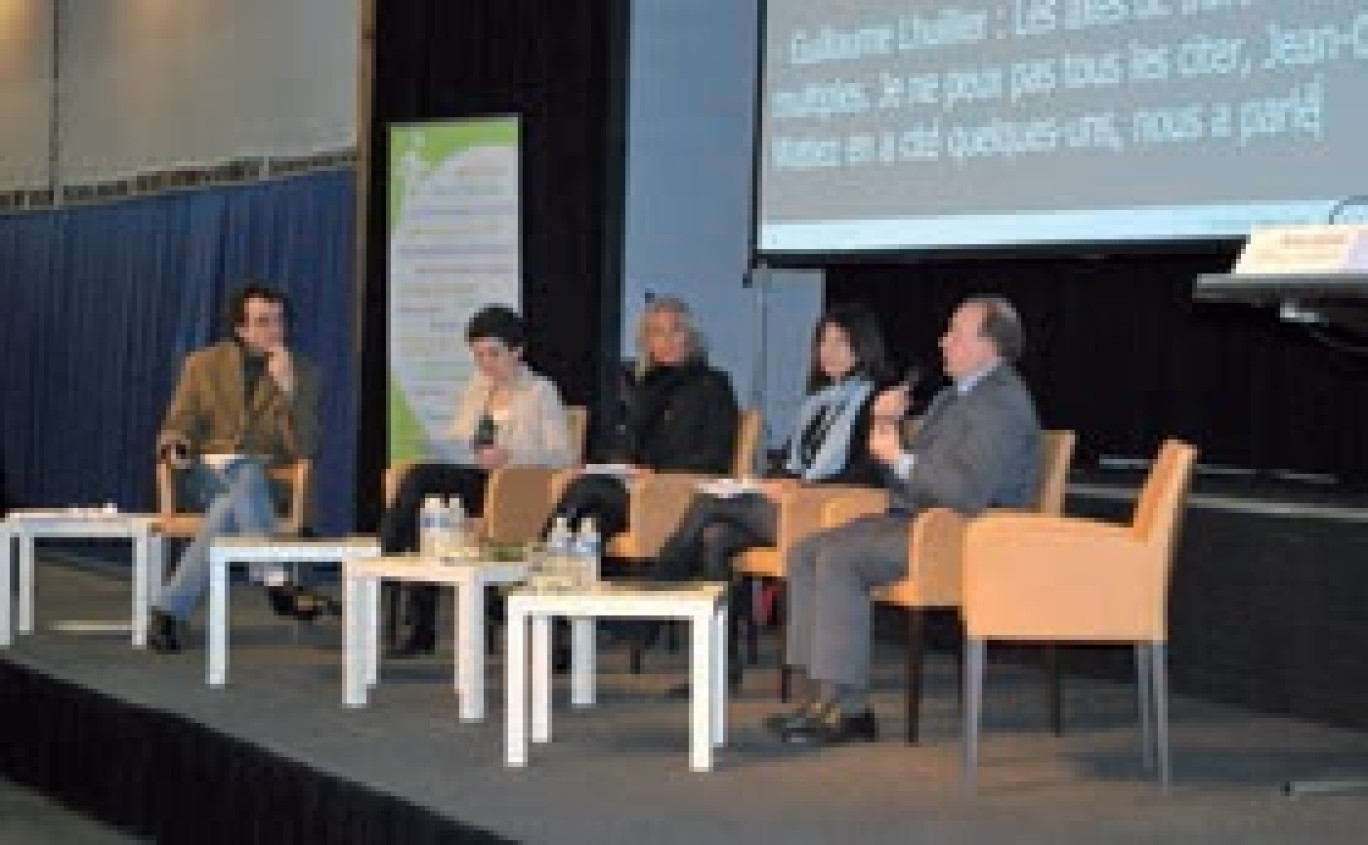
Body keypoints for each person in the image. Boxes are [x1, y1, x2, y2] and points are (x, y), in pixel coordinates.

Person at [766, 296, 1041, 745]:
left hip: (967, 533)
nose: (943, 341)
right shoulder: (954, 398)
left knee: (840, 559)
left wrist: (900, 456)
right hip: (920, 520)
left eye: (955, 333)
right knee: (805, 551)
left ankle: (851, 712)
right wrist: (888, 428)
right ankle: (823, 695)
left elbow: (967, 492)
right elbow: (912, 472)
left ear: (989, 346)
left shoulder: (1002, 404)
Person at [646, 302, 891, 690]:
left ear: (863, 346)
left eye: (839, 342)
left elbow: (870, 472)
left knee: (710, 502)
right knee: (714, 538)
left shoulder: (875, 401)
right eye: (822, 342)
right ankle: (719, 666)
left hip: (832, 513)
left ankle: (655, 592)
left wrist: (805, 488)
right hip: (793, 507)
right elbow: (792, 460)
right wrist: (773, 481)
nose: (827, 351)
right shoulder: (818, 400)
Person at [381, 305, 573, 656]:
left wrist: (511, 455)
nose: (486, 364)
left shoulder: (541, 391)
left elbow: (562, 456)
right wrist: (453, 448)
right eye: (479, 355)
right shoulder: (475, 390)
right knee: (421, 483)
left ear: (517, 351)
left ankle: (389, 557)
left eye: (493, 354)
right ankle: (417, 619)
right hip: (475, 481)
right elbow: (460, 438)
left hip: (516, 487)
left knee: (425, 484)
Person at [148, 283, 321, 653]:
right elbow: (179, 423)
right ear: (241, 329)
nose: (273, 330)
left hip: (266, 481)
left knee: (237, 493)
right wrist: (176, 446)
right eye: (262, 322)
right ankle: (274, 576)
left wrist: (289, 390)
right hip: (206, 475)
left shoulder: (303, 372)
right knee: (238, 481)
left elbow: (306, 447)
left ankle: (168, 609)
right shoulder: (202, 365)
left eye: (278, 321)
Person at [546, 296, 738, 544]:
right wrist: (618, 465)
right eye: (657, 332)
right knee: (593, 516)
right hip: (637, 491)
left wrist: (658, 473)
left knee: (589, 488)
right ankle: (567, 574)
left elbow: (716, 457)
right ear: (647, 342)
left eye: (675, 330)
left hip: (680, 491)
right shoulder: (646, 387)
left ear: (690, 337)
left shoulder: (713, 385)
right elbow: (627, 444)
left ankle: (540, 560)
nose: (667, 340)